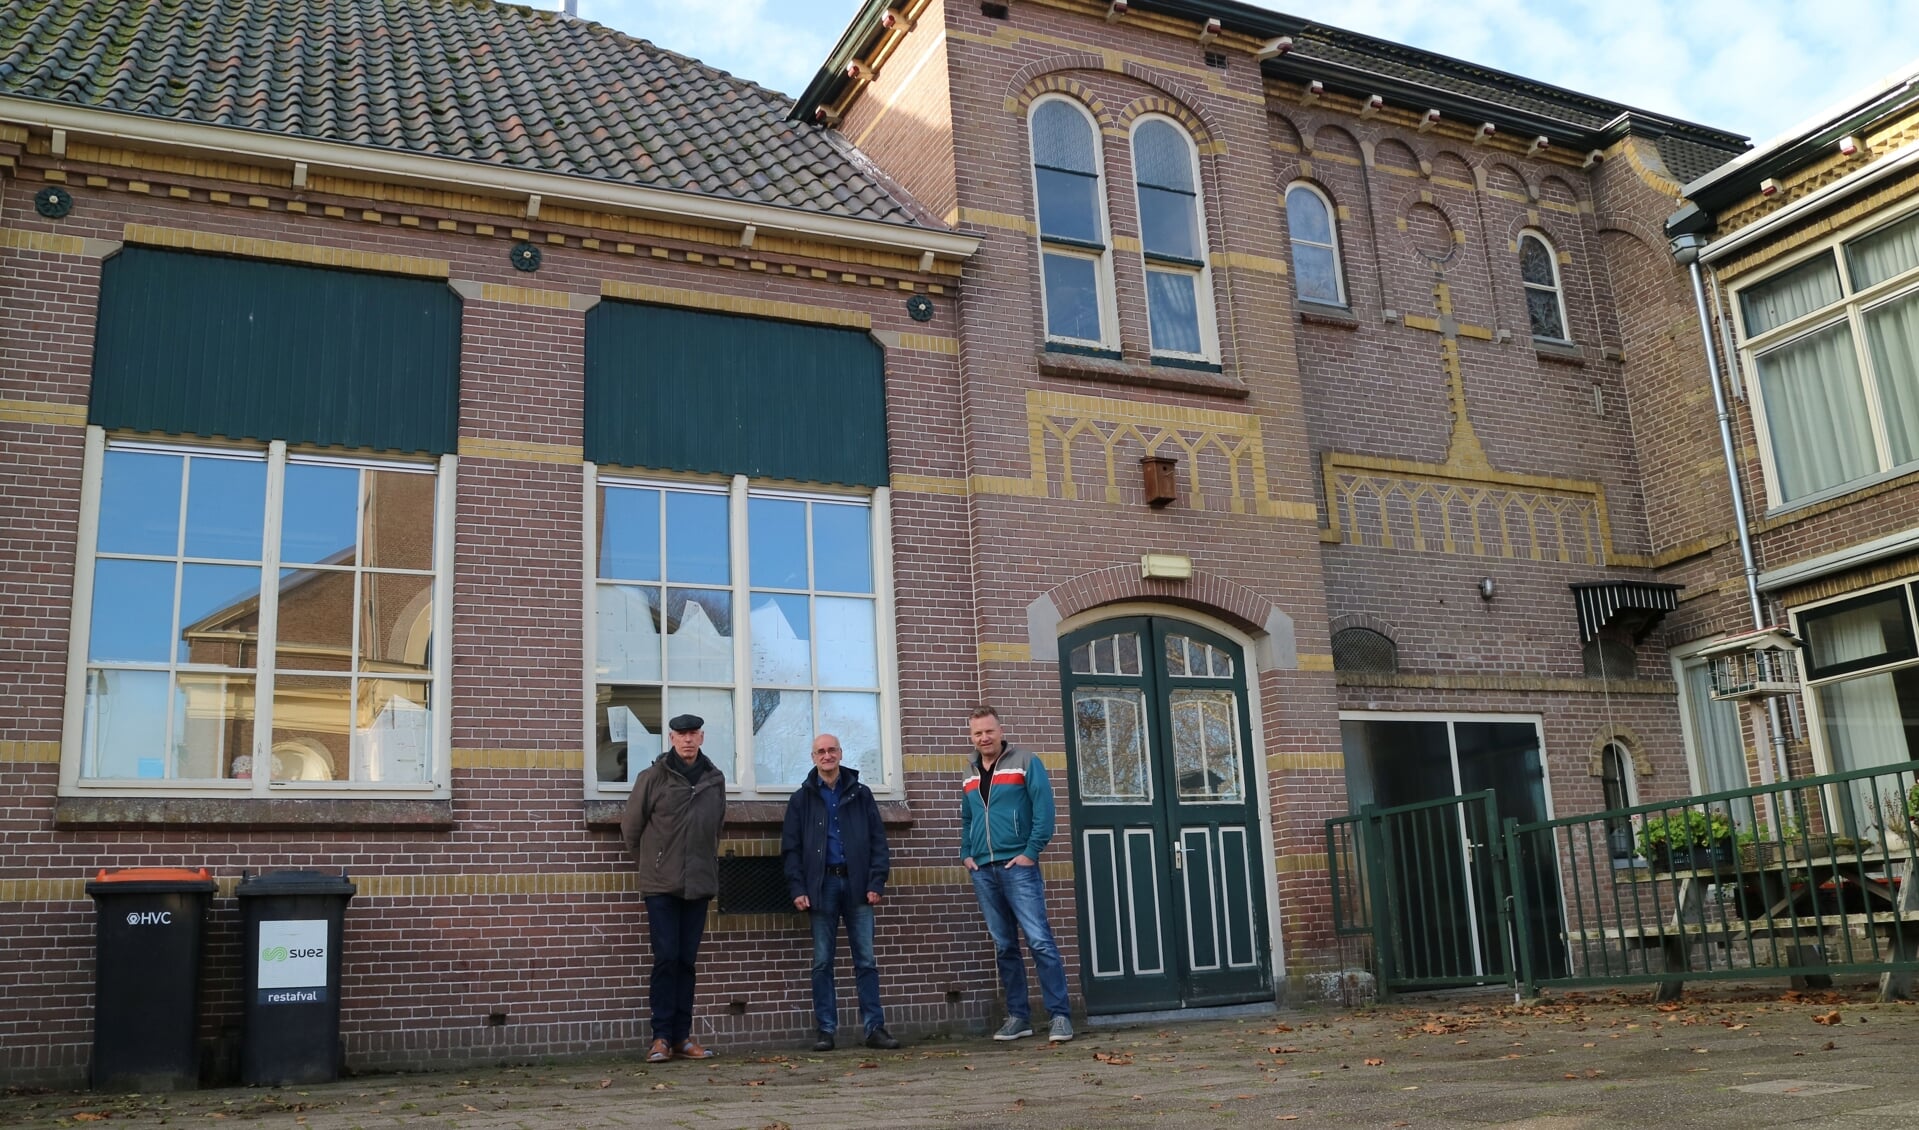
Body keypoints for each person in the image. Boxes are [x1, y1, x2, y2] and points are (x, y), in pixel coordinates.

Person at [960, 706, 1072, 1043]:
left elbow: (1044, 810)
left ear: (1000, 730)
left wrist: (1030, 853)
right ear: (972, 736)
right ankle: (1018, 1018)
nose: (984, 738)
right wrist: (966, 854)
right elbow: (968, 818)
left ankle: (1060, 1016)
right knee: (1004, 945)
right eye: (978, 733)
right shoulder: (968, 772)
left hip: (1018, 866)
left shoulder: (1025, 761)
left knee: (1039, 941)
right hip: (983, 869)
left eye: (989, 731)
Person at [781, 733, 900, 1052]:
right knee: (822, 961)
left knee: (866, 960)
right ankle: (826, 1030)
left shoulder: (861, 794)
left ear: (841, 753)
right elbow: (790, 850)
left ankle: (874, 1028)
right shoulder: (801, 799)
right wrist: (798, 888)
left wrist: (876, 882)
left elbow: (878, 842)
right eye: (820, 751)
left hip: (859, 885)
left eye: (832, 750)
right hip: (822, 887)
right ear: (813, 757)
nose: (827, 755)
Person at [621, 713, 727, 1063]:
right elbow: (631, 830)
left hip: (698, 883)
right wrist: (655, 862)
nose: (687, 740)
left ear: (701, 737)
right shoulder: (652, 777)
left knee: (687, 961)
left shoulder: (714, 780)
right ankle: (661, 1038)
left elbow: (716, 826)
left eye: (693, 734)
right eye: (681, 734)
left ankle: (682, 1037)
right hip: (660, 886)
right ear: (670, 739)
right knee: (666, 959)